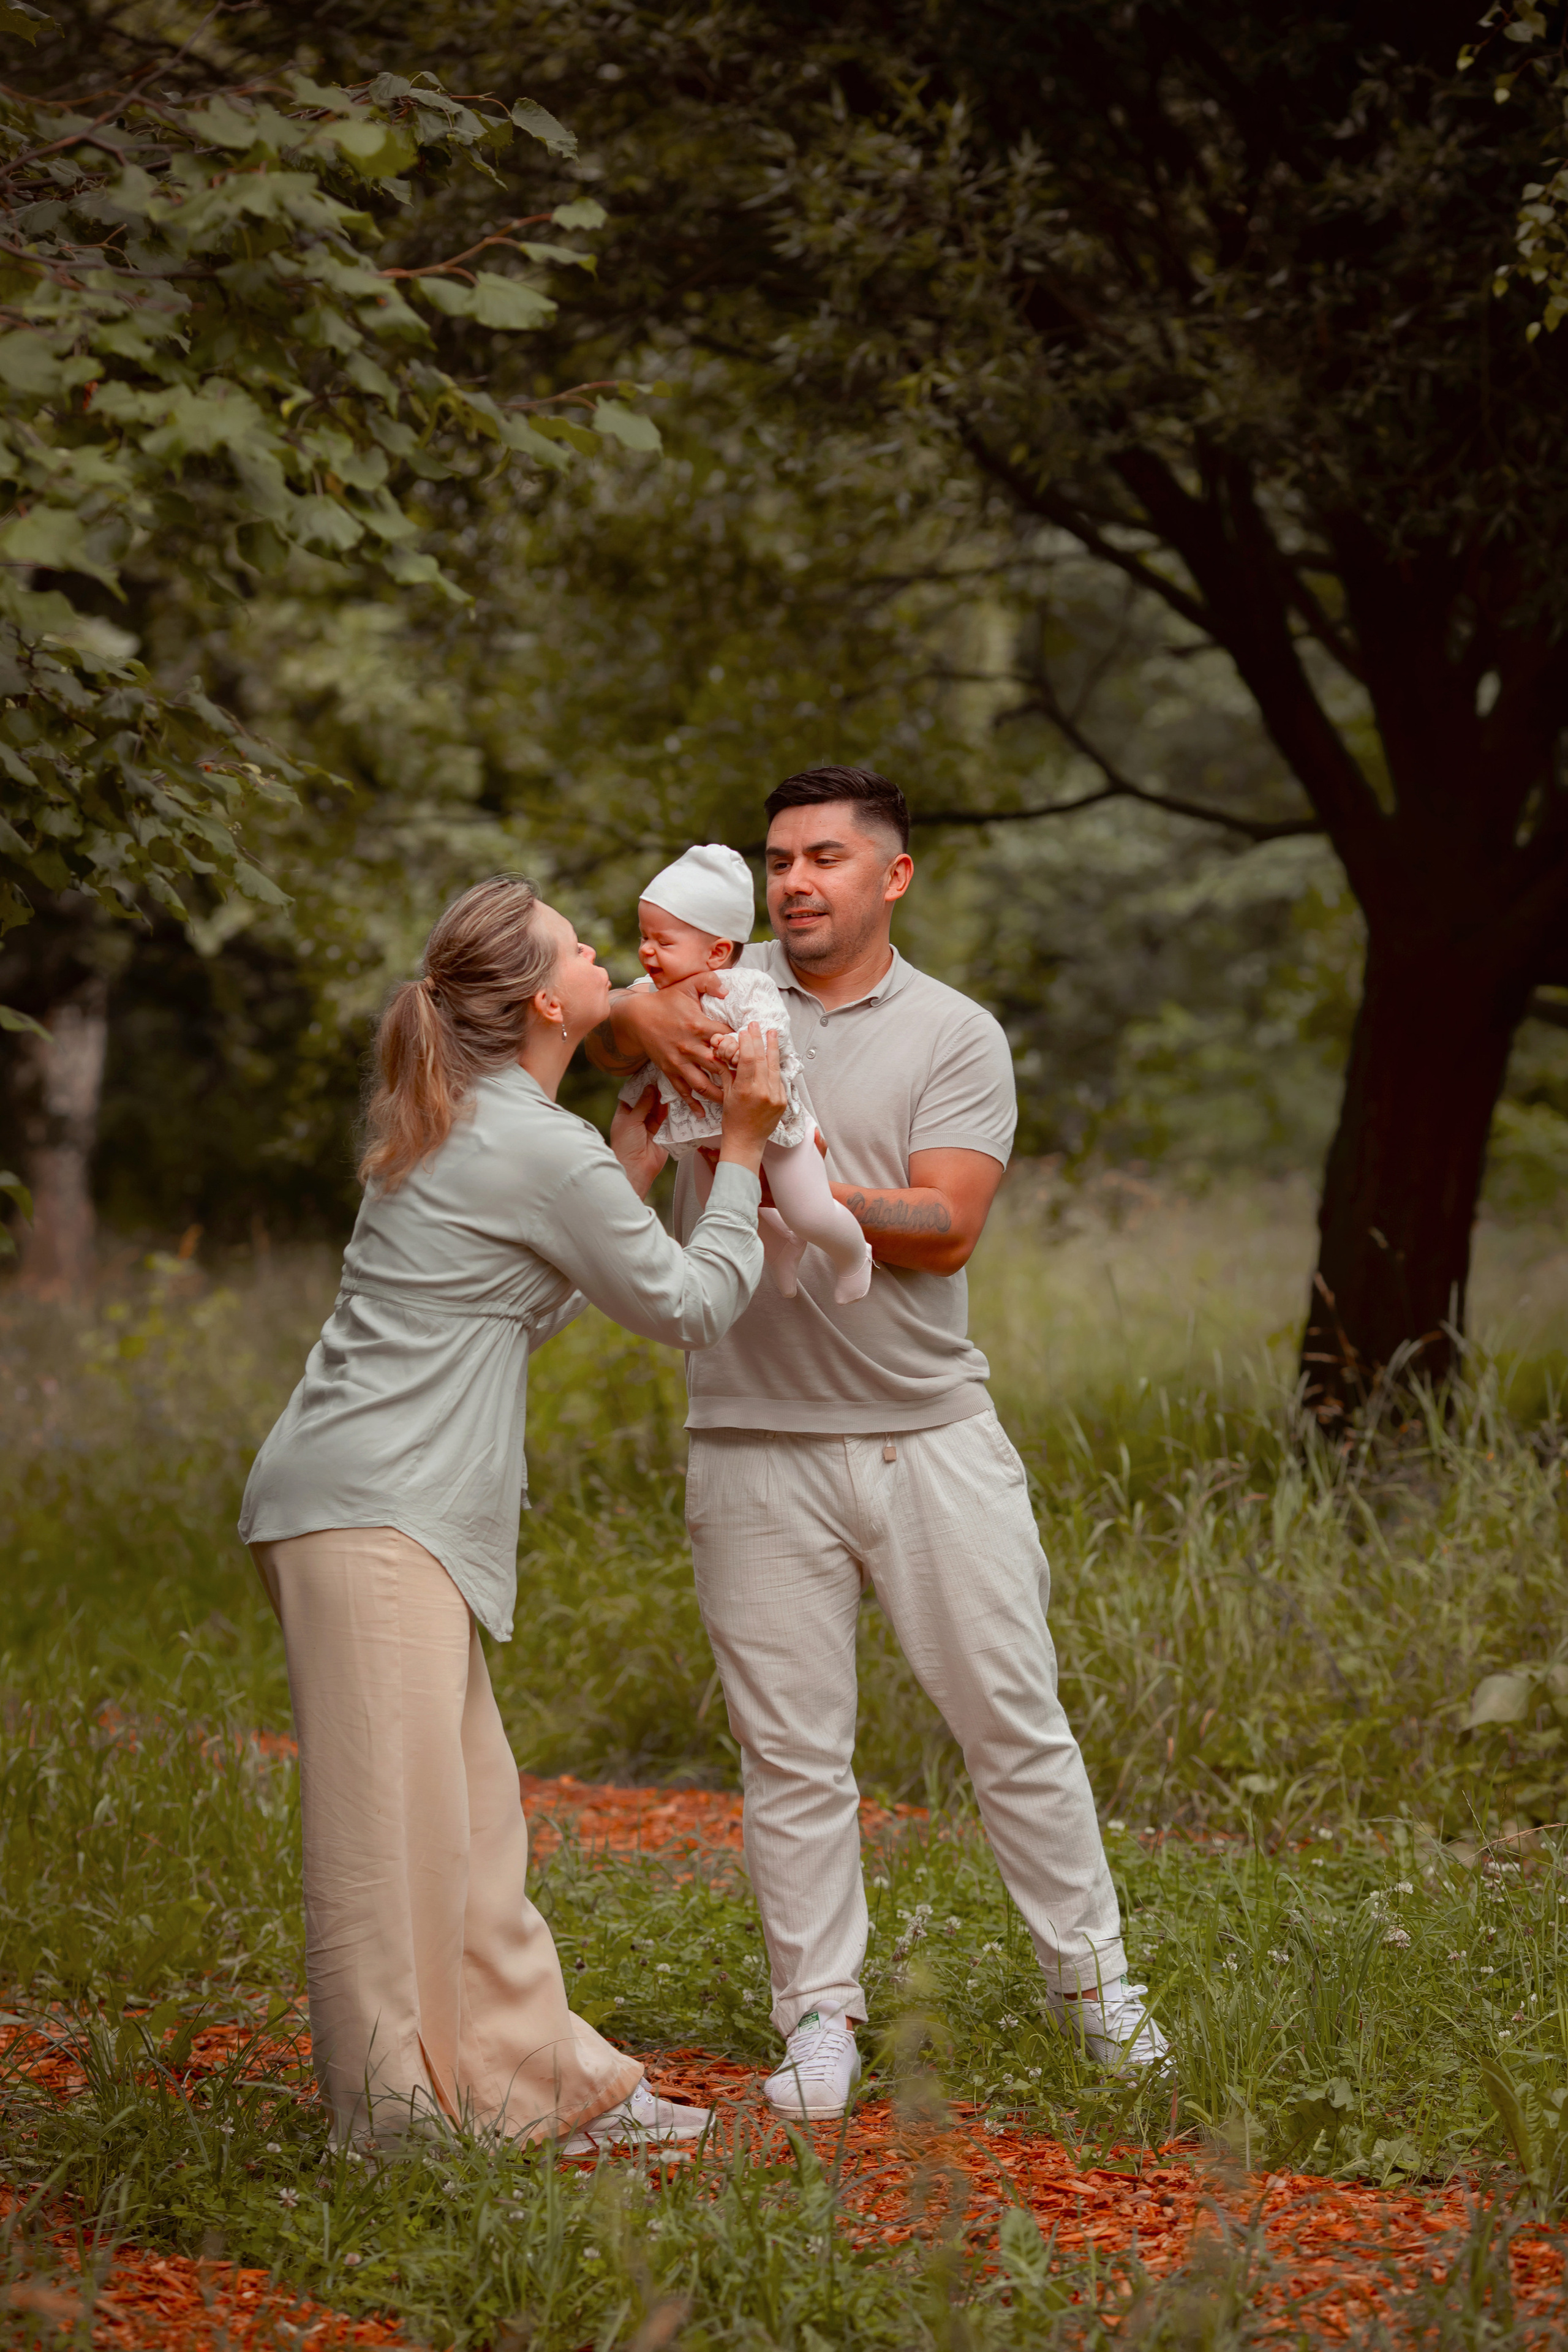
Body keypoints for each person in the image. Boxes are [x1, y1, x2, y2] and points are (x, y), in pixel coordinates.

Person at [589, 767, 1167, 2120]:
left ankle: (1096, 1993)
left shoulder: (955, 1033)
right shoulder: (716, 992)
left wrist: (781, 1185)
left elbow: (948, 1227)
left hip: (928, 1437)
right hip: (749, 1438)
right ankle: (819, 2022)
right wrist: (632, 1012)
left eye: (826, 858)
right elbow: (604, 1024)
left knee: (1011, 1723)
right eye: (779, 859)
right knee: (791, 1755)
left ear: (892, 875)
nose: (796, 881)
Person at [238, 875, 787, 2150]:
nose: (604, 956)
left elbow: (510, 1310)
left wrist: (626, 1173)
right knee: (390, 1850)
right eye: (580, 946)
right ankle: (397, 2130)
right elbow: (692, 1307)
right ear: (546, 1001)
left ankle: (547, 2094)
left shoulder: (480, 1119)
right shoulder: (523, 1140)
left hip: (372, 1508)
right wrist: (748, 1152)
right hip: (372, 1515)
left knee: (474, 1832)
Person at [615, 840, 872, 1302]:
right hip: (712, 1139)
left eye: (663, 942)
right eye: (643, 938)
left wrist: (742, 1043)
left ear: (716, 952)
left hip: (771, 1127)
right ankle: (782, 1247)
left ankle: (854, 1254)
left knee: (807, 1211)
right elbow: (624, 1024)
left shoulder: (742, 985)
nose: (647, 952)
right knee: (722, 1209)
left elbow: (771, 1028)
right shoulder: (650, 997)